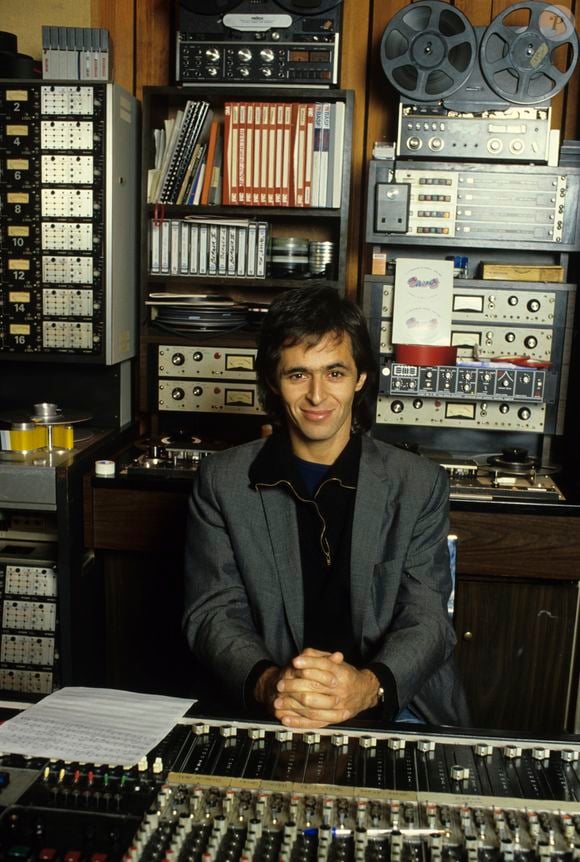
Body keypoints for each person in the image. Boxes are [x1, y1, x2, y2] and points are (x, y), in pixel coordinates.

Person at [183, 286, 469, 729]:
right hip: (273, 701)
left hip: (392, 699)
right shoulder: (222, 482)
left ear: (360, 378)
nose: (317, 396)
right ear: (274, 384)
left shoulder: (418, 483)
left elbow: (427, 616)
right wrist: (270, 682)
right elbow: (213, 613)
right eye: (298, 375)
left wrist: (368, 686)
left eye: (334, 372)